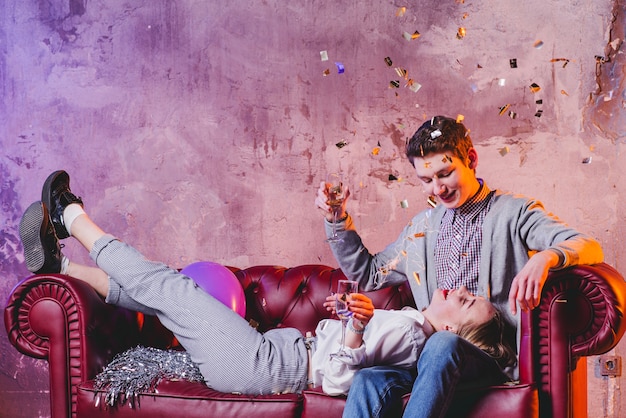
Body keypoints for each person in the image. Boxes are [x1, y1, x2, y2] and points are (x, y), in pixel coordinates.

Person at [19, 170, 515, 397]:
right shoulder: (409, 323)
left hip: (266, 368)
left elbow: (341, 379)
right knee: (171, 293)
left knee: (171, 290)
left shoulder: (412, 334)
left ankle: (71, 216)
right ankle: (60, 269)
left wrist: (353, 332)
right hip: (269, 355)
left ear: (455, 334)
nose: (460, 290)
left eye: (468, 303)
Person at [315, 115, 604, 417]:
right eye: (427, 180)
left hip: (487, 359)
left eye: (445, 173)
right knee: (368, 378)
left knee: (442, 344)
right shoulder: (421, 228)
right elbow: (369, 274)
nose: (438, 189)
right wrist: (336, 219)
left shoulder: (513, 212)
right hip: (425, 361)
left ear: (471, 159)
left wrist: (547, 257)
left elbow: (587, 244)